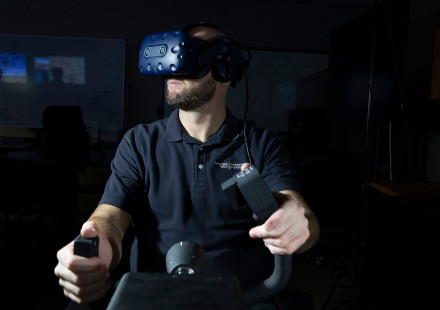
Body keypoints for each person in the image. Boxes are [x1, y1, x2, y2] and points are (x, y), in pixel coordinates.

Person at [54, 23, 320, 309]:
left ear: (226, 69)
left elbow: (298, 211)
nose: (173, 67)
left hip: (240, 298)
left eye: (190, 54)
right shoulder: (140, 142)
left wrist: (297, 222)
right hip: (151, 294)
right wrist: (99, 246)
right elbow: (110, 216)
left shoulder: (262, 144)